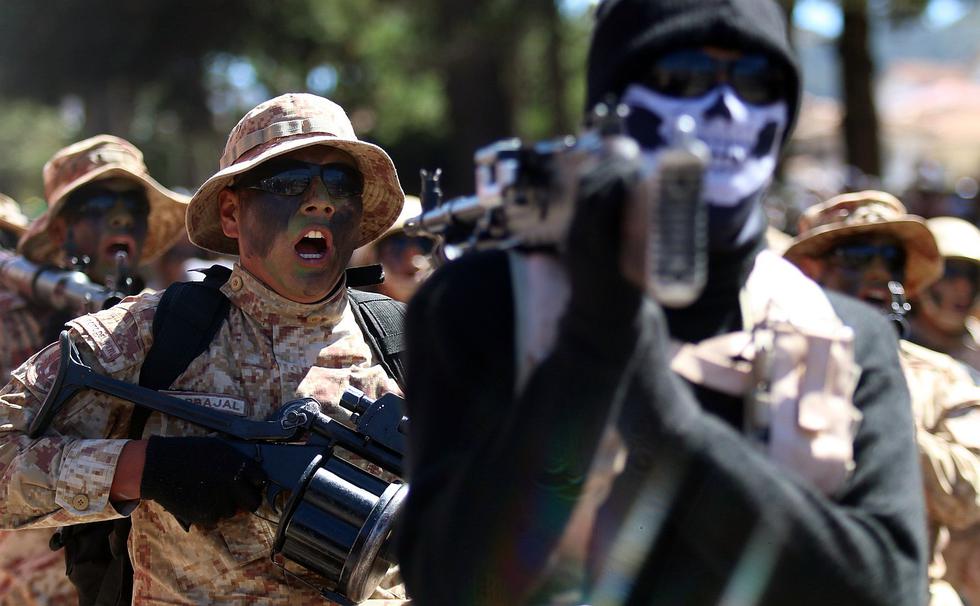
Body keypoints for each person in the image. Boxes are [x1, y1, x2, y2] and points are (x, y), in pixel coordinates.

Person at [397, 1, 927, 604]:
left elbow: (888, 588)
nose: (727, 107)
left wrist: (664, 419)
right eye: (684, 78)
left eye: (756, 82)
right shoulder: (486, 302)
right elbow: (450, 582)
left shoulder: (845, 333)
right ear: (611, 108)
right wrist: (592, 345)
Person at [0, 94, 408, 605]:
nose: (320, 201)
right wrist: (142, 468)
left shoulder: (406, 341)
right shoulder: (149, 334)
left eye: (341, 184)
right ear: (232, 213)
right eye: (286, 181)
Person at [0, 137, 187, 606]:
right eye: (97, 204)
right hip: (30, 576)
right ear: (60, 228)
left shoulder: (167, 317)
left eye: (133, 206)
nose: (120, 217)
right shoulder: (12, 317)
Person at [784, 190, 980, 606]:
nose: (876, 274)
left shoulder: (940, 379)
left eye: (891, 260)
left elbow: (970, 495)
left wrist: (883, 415)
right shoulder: (769, 362)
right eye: (855, 256)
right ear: (811, 271)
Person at [908, 217, 980, 373]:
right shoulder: (889, 344)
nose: (963, 288)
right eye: (949, 272)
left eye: (972, 275)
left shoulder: (976, 348)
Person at [349, 195, 434, 303]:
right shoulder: (350, 317)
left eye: (425, 243)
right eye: (399, 245)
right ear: (371, 259)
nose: (414, 258)